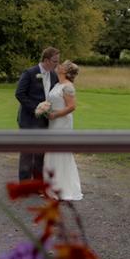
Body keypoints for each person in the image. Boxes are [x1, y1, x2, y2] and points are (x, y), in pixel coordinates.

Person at [15, 46, 60, 180]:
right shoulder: (29, 72)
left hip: (45, 121)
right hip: (28, 119)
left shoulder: (53, 75)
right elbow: (19, 94)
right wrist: (36, 109)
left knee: (40, 154)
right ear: (46, 60)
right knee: (27, 153)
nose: (57, 64)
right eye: (55, 61)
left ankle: (37, 183)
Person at [43, 60, 82, 201]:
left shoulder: (68, 87)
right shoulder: (57, 85)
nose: (58, 66)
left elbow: (72, 106)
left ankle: (61, 188)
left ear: (65, 71)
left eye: (62, 65)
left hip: (62, 123)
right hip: (53, 123)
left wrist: (55, 114)